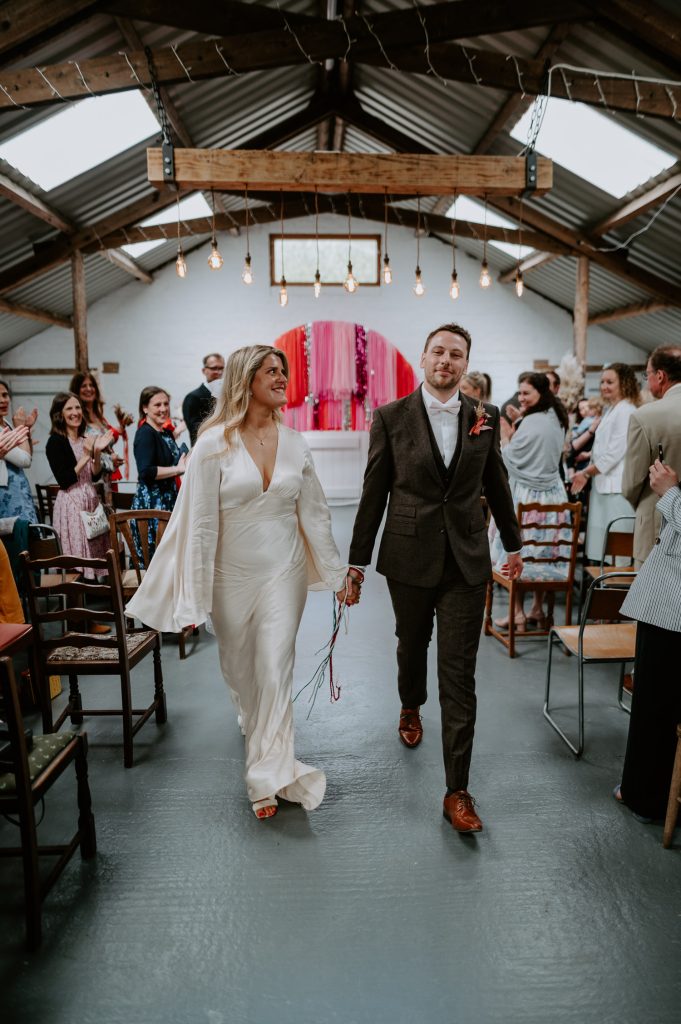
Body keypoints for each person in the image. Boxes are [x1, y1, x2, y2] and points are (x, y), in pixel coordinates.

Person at [126, 345, 351, 819]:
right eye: (272, 371)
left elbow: (314, 512)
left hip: (283, 571)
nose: (282, 378)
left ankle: (267, 777)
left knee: (274, 667)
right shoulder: (213, 444)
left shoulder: (295, 442)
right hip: (231, 575)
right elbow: (200, 523)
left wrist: (336, 574)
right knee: (240, 669)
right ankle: (254, 723)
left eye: (283, 371)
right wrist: (194, 593)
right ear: (246, 380)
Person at [346, 323, 522, 834]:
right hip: (408, 555)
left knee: (459, 675)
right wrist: (356, 563)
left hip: (466, 560)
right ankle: (409, 704)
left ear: (466, 364)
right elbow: (373, 492)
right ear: (423, 359)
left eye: (457, 354)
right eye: (439, 352)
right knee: (411, 642)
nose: (447, 360)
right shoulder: (391, 417)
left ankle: (457, 791)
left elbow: (497, 484)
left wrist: (512, 544)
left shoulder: (484, 419)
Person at [614, 458, 681, 823]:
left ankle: (646, 796)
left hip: (674, 604)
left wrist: (670, 492)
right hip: (670, 600)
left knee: (656, 706)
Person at [489, 372, 569, 630]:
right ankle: (537, 609)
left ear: (541, 393)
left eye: (526, 393)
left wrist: (505, 434)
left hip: (526, 496)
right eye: (520, 392)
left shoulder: (533, 421)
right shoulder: (556, 416)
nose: (521, 397)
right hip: (553, 496)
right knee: (542, 553)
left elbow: (509, 458)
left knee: (517, 551)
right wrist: (520, 421)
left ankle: (518, 614)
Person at [570, 363, 641, 562]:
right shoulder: (612, 409)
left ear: (624, 383)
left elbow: (615, 453)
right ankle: (604, 585)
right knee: (603, 547)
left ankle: (616, 588)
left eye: (610, 382)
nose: (604, 386)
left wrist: (586, 473)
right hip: (603, 485)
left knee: (617, 549)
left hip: (616, 488)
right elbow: (605, 445)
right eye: (602, 382)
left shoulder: (626, 410)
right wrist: (589, 456)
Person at [621, 345, 681, 566]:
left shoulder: (645, 416)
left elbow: (631, 483)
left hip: (657, 523)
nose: (647, 380)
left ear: (660, 375)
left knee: (651, 598)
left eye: (647, 374)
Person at [45, 392, 113, 580]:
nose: (75, 412)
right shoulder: (55, 442)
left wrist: (97, 452)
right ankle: (78, 595)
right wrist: (85, 456)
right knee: (77, 554)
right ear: (59, 414)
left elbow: (95, 474)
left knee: (95, 549)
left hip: (89, 499)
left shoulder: (85, 439)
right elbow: (65, 480)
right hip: (71, 503)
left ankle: (93, 592)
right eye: (69, 408)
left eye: (78, 408)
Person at [131, 387, 188, 560]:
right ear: (145, 408)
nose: (163, 408)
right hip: (153, 504)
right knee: (158, 558)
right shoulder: (145, 434)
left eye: (166, 404)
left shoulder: (162, 432)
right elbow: (146, 471)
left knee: (170, 556)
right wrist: (178, 469)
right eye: (157, 405)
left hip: (167, 499)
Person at [69, 371, 126, 500]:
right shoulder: (78, 418)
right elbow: (82, 451)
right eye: (84, 386)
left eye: (91, 385)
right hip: (92, 479)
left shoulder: (99, 416)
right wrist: (110, 460)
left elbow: (104, 444)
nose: (89, 389)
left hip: (107, 478)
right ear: (76, 390)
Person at [0, 380, 38, 523]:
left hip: (19, 488)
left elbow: (28, 454)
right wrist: (21, 428)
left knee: (28, 536)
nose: (2, 400)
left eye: (4, 395)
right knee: (15, 538)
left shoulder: (7, 424)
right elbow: (24, 460)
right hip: (7, 493)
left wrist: (25, 431)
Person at [182, 352, 225, 446]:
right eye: (214, 368)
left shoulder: (226, 395)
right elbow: (195, 431)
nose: (219, 372)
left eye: (221, 368)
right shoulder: (193, 397)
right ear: (204, 370)